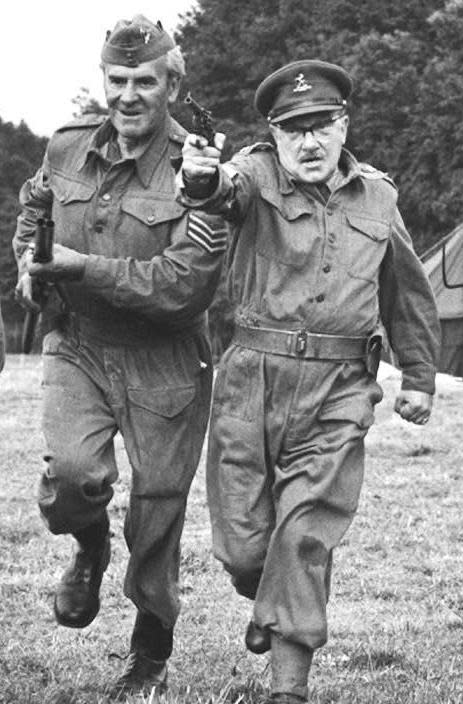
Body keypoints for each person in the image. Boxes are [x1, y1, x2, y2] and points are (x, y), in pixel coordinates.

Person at [177, 59, 439, 704]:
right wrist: (199, 175)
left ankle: (288, 688)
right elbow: (217, 191)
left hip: (340, 388)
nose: (310, 141)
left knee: (305, 532)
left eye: (322, 125)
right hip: (251, 383)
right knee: (244, 550)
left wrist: (421, 376)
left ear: (345, 124)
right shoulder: (254, 175)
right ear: (274, 133)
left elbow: (405, 289)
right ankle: (266, 598)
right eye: (294, 129)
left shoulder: (379, 196)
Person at [12, 16, 224, 699]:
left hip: (165, 358)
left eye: (144, 81)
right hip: (78, 345)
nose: (128, 95)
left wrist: (77, 266)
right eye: (117, 80)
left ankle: (149, 652)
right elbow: (34, 207)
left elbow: (183, 288)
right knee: (73, 477)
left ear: (172, 84)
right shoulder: (69, 144)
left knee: (156, 515)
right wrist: (29, 261)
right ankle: (88, 545)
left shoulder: (199, 170)